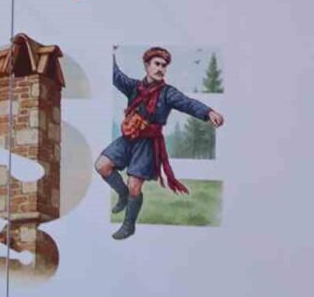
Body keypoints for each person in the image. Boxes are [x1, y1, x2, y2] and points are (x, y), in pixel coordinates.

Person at [95, 46, 224, 240]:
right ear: (147, 66)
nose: (160, 69)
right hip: (128, 138)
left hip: (147, 144)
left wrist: (208, 112)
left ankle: (129, 225)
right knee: (102, 165)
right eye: (156, 64)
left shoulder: (167, 93)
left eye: (164, 66)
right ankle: (122, 195)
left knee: (134, 186)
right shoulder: (134, 87)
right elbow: (115, 75)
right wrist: (108, 53)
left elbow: (188, 103)